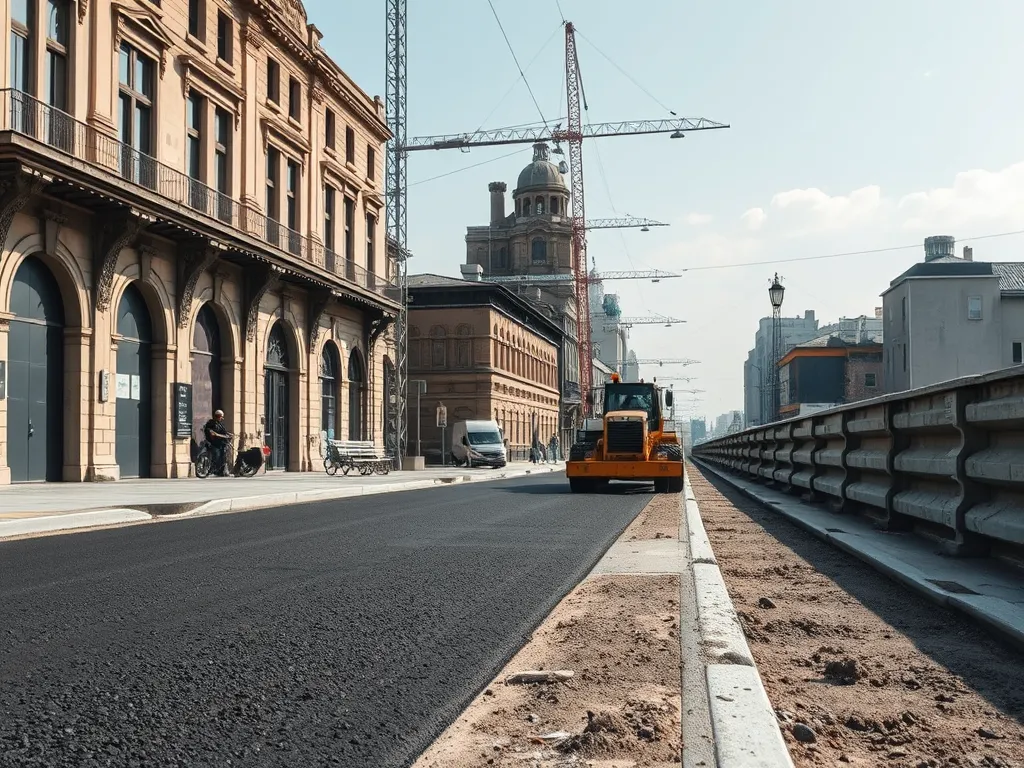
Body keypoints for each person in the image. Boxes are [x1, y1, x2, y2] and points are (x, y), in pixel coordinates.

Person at [203, 410, 231, 476]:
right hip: (214, 443)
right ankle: (210, 470)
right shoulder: (211, 423)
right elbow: (213, 433)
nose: (222, 418)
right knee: (216, 456)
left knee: (223, 456)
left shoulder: (219, 423)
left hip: (221, 443)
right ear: (218, 416)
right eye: (221, 417)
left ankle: (220, 471)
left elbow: (223, 431)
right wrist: (222, 436)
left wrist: (229, 434)